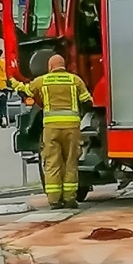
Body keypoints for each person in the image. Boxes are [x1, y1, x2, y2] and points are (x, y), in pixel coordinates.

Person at [20, 54, 91, 209]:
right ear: (64, 65)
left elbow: (27, 90)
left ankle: (54, 201)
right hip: (72, 129)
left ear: (50, 67)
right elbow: (87, 101)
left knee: (52, 163)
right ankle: (70, 199)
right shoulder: (75, 80)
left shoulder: (42, 81)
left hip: (51, 130)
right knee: (71, 163)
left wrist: (12, 82)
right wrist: (78, 116)